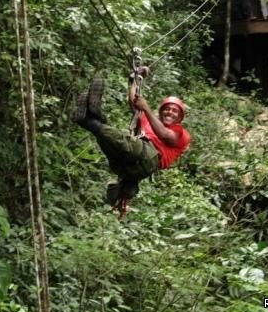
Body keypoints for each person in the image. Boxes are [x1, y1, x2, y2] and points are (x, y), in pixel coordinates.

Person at [74, 67, 191, 218]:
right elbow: (135, 102)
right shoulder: (148, 121)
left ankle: (90, 120)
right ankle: (93, 116)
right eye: (167, 109)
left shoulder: (181, 133)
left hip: (150, 158)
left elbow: (164, 134)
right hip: (128, 165)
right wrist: (133, 81)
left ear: (180, 117)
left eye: (175, 111)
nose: (170, 112)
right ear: (161, 111)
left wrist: (146, 108)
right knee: (108, 140)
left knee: (123, 139)